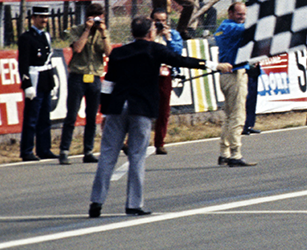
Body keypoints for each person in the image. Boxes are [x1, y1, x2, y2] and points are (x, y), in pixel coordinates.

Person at [88, 17, 229, 218]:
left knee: (108, 155)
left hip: (117, 107)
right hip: (141, 108)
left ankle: (96, 202)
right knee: (137, 156)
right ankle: (134, 204)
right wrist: (214, 65)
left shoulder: (119, 52)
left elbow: (108, 83)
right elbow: (182, 61)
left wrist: (105, 111)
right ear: (150, 33)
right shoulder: (154, 50)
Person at [59, 4, 110, 164]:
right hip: (78, 75)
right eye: (93, 17)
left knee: (92, 115)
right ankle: (64, 150)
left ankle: (88, 150)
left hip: (94, 76)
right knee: (72, 115)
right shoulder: (76, 30)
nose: (96, 20)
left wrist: (102, 33)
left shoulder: (103, 32)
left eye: (99, 17)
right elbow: (78, 49)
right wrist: (87, 30)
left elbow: (109, 53)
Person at [214, 2, 258, 167]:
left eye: (244, 14)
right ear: (230, 13)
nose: (243, 17)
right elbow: (253, 29)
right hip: (234, 75)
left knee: (229, 116)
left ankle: (224, 153)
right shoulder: (232, 27)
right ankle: (235, 154)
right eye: (240, 14)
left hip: (226, 75)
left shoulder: (222, 27)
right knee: (238, 116)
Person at [18, 7, 58, 162]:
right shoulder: (27, 37)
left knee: (44, 117)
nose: (44, 20)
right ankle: (27, 150)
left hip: (45, 80)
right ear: (33, 18)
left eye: (46, 17)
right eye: (41, 17)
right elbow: (23, 63)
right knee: (31, 118)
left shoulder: (46, 36)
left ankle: (44, 149)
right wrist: (26, 83)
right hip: (34, 80)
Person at [150, 9, 184, 155]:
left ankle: (160, 142)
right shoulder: (146, 33)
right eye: (157, 20)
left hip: (164, 74)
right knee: (141, 109)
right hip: (147, 74)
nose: (160, 23)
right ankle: (130, 141)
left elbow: (177, 53)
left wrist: (168, 38)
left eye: (163, 20)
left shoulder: (173, 34)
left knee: (163, 110)